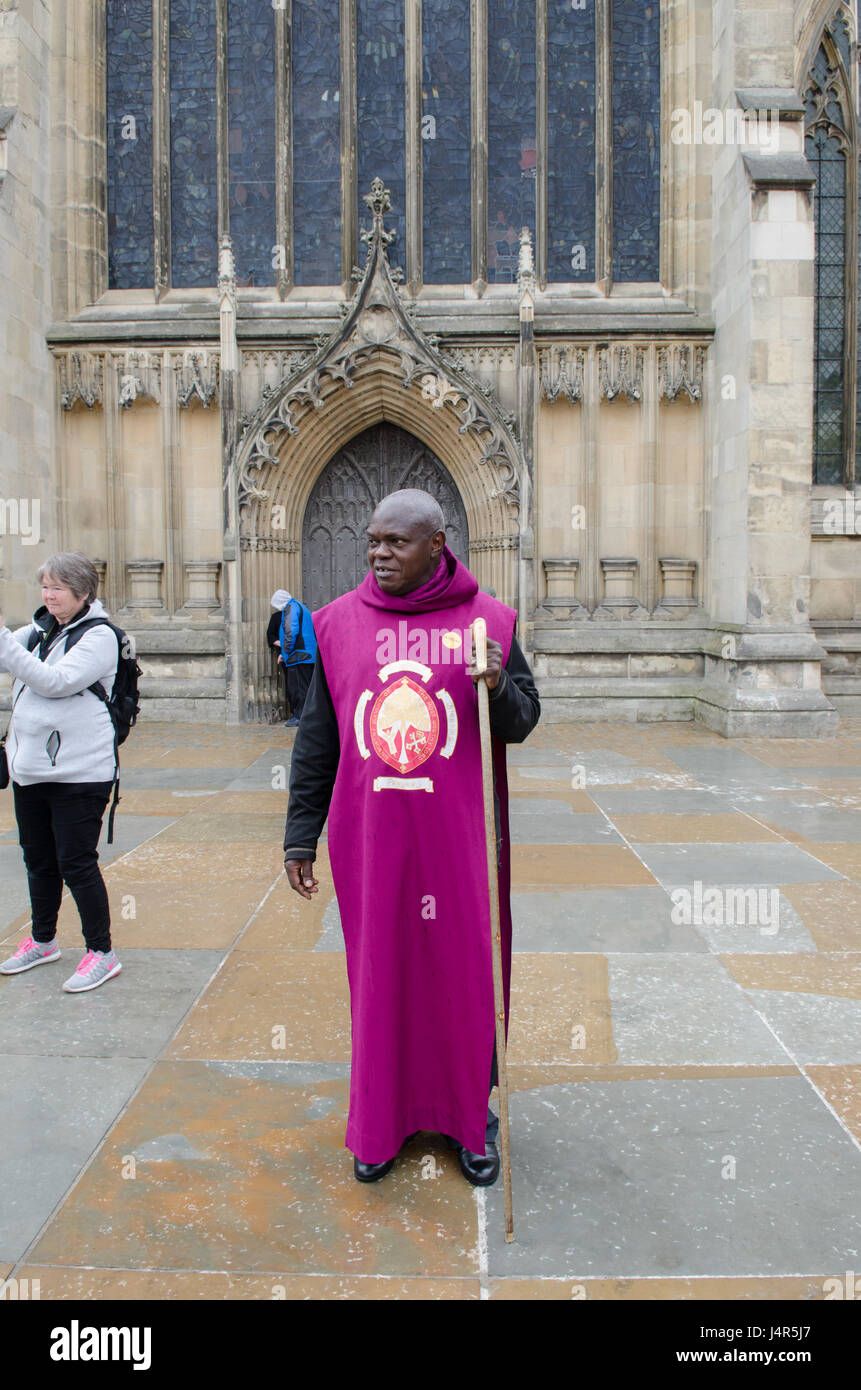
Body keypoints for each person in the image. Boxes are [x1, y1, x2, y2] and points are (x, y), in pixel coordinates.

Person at [283, 489, 540, 1186]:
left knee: (463, 977)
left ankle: (470, 1117)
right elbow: (318, 741)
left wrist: (495, 686)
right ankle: (381, 1121)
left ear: (437, 543)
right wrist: (299, 834)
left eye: (396, 542)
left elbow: (522, 721)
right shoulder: (336, 625)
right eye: (372, 541)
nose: (378, 553)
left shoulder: (488, 622)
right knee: (384, 977)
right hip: (374, 845)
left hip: (460, 844)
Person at [0, 552, 122, 992]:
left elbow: (55, 683)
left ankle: (102, 953)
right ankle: (43, 940)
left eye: (58, 588)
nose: (48, 596)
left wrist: (5, 644)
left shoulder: (100, 637)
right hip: (31, 769)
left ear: (83, 592)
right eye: (45, 587)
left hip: (81, 773)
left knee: (76, 863)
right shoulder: (40, 630)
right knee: (38, 861)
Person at [267, 588, 316, 727]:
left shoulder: (291, 608)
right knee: (304, 686)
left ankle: (300, 717)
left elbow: (291, 630)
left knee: (298, 688)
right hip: (305, 655)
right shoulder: (299, 606)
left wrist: (286, 651)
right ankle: (306, 716)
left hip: (299, 655)